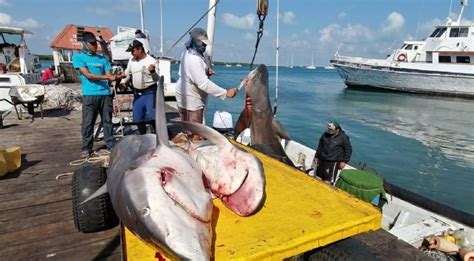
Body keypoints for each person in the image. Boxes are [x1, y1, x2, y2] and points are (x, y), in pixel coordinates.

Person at [176, 27, 237, 139]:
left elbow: (193, 73)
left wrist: (205, 71)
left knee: (187, 128)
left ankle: (187, 146)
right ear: (196, 42)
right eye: (202, 43)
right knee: (196, 132)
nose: (204, 46)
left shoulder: (186, 52)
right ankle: (193, 152)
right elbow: (203, 83)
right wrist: (225, 93)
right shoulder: (194, 59)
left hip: (184, 92)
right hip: (191, 99)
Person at [72, 31, 122, 158]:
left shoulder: (103, 59)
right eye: (92, 43)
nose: (95, 46)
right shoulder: (78, 58)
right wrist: (107, 77)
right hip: (90, 94)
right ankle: (86, 148)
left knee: (107, 121)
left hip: (105, 94)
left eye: (96, 43)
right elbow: (88, 75)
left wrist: (117, 78)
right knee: (88, 123)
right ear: (84, 43)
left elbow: (110, 75)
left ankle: (110, 144)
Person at [120, 40, 159, 134]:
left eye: (132, 51)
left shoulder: (152, 61)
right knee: (137, 117)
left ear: (140, 49)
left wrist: (153, 72)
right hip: (138, 93)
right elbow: (127, 73)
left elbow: (157, 79)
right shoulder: (131, 60)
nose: (131, 54)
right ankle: (143, 135)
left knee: (153, 116)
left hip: (150, 92)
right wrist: (123, 82)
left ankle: (161, 135)